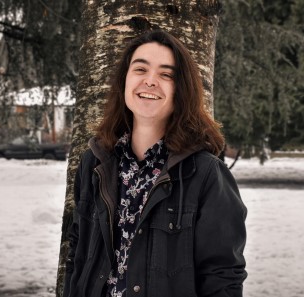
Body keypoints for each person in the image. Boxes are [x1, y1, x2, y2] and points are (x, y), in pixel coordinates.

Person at [63, 30, 247, 297]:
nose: (150, 81)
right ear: (124, 80)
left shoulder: (206, 174)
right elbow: (77, 256)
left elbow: (222, 277)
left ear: (181, 90)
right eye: (140, 69)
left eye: (166, 74)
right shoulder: (95, 162)